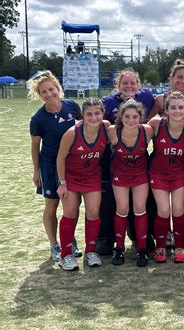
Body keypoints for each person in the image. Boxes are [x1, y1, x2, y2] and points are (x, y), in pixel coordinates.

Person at [97, 70, 156, 255]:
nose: (129, 87)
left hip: (139, 164)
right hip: (114, 159)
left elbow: (158, 115)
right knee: (112, 204)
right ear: (118, 85)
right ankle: (108, 239)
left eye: (133, 83)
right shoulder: (108, 104)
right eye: (125, 83)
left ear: (138, 85)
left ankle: (143, 239)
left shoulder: (146, 99)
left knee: (142, 205)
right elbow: (93, 119)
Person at [29, 70, 82, 262]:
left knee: (73, 205)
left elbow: (83, 129)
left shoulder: (72, 106)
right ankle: (54, 245)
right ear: (39, 95)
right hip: (50, 166)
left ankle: (70, 240)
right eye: (44, 92)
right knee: (52, 205)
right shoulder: (38, 119)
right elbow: (35, 147)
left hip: (72, 164)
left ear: (57, 88)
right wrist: (37, 171)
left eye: (51, 89)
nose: (49, 94)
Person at [56, 98, 110, 271]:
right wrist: (62, 183)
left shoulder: (107, 128)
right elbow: (60, 158)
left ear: (102, 114)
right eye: (89, 114)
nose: (93, 117)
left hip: (92, 176)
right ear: (82, 115)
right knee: (70, 212)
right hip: (71, 177)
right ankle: (66, 254)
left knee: (93, 212)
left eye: (97, 113)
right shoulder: (72, 133)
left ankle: (91, 251)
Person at [148, 92, 184, 263]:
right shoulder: (156, 124)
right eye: (172, 107)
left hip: (178, 174)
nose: (177, 111)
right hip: (158, 173)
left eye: (180, 107)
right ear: (165, 110)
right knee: (163, 210)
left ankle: (179, 247)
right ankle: (160, 247)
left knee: (178, 210)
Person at [107, 100, 154, 267]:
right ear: (121, 117)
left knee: (140, 209)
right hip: (120, 173)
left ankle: (142, 249)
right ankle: (119, 248)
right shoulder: (113, 131)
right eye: (127, 116)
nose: (131, 120)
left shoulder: (147, 130)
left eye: (135, 116)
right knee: (122, 209)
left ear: (141, 117)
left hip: (140, 173)